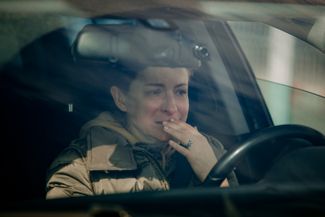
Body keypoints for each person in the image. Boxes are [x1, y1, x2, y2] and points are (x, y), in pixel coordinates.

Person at [46, 64, 237, 199]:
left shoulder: (210, 150)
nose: (172, 108)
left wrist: (213, 175)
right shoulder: (79, 167)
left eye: (181, 92)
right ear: (122, 99)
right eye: (155, 92)